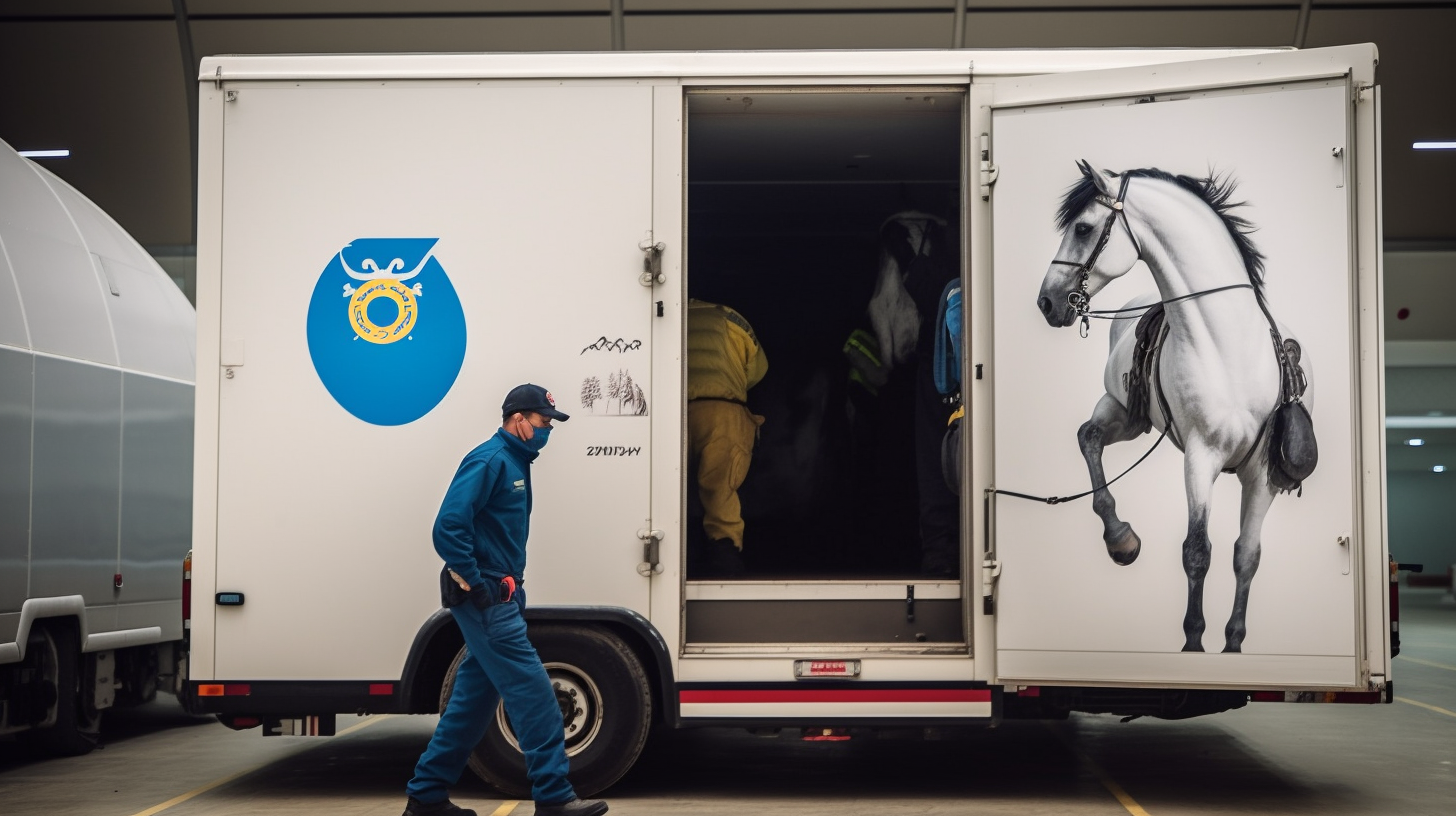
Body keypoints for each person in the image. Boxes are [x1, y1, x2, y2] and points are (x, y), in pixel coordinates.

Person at [402, 384, 607, 816]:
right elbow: (448, 527)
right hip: (487, 601)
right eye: (543, 421)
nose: (548, 429)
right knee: (535, 695)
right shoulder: (491, 459)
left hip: (502, 596)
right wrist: (477, 585)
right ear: (518, 420)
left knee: (472, 706)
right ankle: (553, 798)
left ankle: (426, 796)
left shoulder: (516, 460)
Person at [686, 299, 767, 577]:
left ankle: (682, 557)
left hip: (672, 413)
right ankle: (726, 561)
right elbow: (756, 371)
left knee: (669, 491)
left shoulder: (658, 311)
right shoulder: (730, 317)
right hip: (724, 412)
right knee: (720, 491)